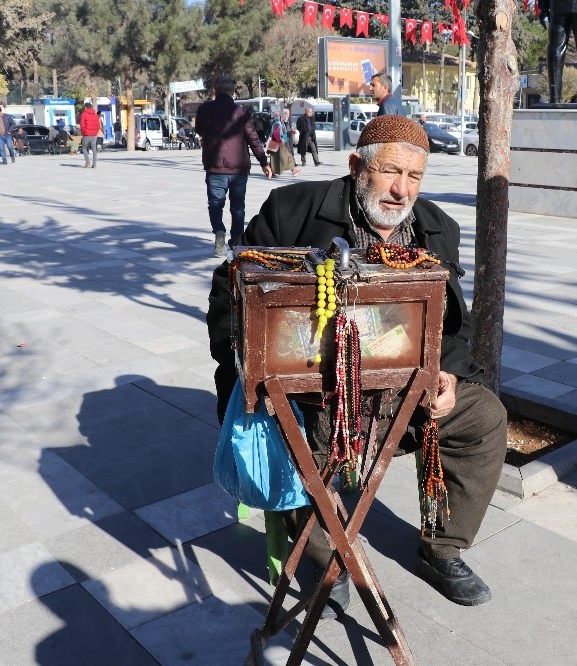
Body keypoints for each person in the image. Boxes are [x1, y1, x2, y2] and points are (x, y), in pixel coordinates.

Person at [206, 114, 508, 613]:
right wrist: (251, 368)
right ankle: (325, 558)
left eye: (414, 177)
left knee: (483, 418)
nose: (401, 189)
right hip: (315, 387)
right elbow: (230, 292)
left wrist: (448, 375)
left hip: (406, 388)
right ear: (356, 166)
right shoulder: (292, 210)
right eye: (390, 172)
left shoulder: (437, 228)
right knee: (308, 438)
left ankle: (442, 546)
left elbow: (455, 323)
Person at [195, 76, 272, 257]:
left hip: (214, 166)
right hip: (239, 168)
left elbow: (199, 130)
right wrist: (264, 162)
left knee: (215, 204)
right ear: (232, 92)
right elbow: (253, 138)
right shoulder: (242, 111)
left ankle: (219, 232)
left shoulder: (204, 109)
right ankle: (236, 241)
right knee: (237, 207)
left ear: (214, 90)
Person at [268, 110, 301, 178]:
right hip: (280, 142)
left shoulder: (279, 122)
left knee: (275, 158)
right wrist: (280, 142)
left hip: (278, 142)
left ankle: (271, 171)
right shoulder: (277, 123)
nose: (286, 116)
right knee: (287, 156)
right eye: (284, 115)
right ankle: (293, 170)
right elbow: (276, 133)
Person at [79, 101, 101, 168]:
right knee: (94, 149)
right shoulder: (95, 115)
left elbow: (82, 125)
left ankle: (88, 162)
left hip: (86, 134)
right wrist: (96, 132)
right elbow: (98, 125)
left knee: (84, 148)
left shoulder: (83, 114)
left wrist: (83, 132)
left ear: (85, 107)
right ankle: (94, 164)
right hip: (94, 135)